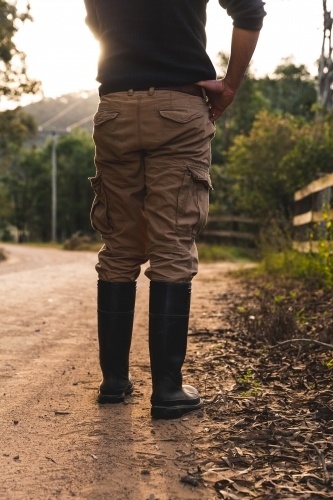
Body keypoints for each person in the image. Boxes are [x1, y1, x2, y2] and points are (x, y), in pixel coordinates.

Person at [84, 0, 266, 420]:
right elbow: (250, 12)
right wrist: (230, 85)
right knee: (172, 243)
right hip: (180, 109)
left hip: (114, 109)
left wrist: (132, 55)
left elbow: (96, 22)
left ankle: (114, 382)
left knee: (119, 246)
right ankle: (167, 389)